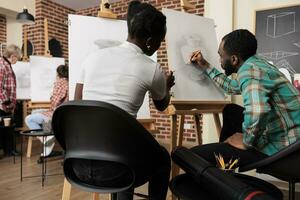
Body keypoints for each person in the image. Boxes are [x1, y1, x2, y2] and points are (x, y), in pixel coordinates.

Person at [73, 1, 175, 200]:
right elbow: (162, 105)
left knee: (124, 146)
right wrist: (167, 86)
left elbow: (78, 105)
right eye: (160, 40)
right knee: (161, 157)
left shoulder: (92, 58)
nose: (159, 45)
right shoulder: (151, 68)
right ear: (149, 40)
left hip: (78, 164)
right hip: (117, 170)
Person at [189, 29, 300, 168]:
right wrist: (204, 65)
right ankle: (226, 171)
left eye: (221, 56)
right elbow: (231, 86)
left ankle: (224, 173)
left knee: (192, 156)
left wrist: (246, 141)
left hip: (287, 148)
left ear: (234, 59)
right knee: (231, 111)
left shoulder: (250, 71)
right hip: (293, 140)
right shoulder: (259, 64)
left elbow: (258, 110)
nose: (220, 61)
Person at [25, 65, 69, 157]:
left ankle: (45, 138)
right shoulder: (69, 82)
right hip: (63, 114)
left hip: (56, 114)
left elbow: (55, 102)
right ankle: (47, 142)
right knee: (39, 114)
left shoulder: (60, 82)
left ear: (58, 73)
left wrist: (51, 96)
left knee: (29, 119)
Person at [0, 44, 21, 157]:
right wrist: (7, 101)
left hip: (7, 104)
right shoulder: (2, 65)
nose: (17, 60)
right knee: (2, 128)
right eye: (17, 57)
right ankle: (7, 150)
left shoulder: (6, 65)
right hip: (3, 104)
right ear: (12, 56)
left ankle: (9, 150)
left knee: (7, 129)